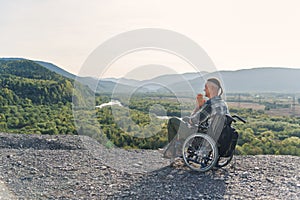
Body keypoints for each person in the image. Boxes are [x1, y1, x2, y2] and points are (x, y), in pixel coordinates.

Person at [163, 77, 229, 159]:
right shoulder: (223, 104)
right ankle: (178, 147)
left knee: (172, 121)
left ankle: (174, 150)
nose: (204, 89)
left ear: (212, 88)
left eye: (206, 87)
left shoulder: (210, 104)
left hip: (199, 135)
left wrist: (197, 107)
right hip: (215, 136)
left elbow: (193, 120)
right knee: (185, 119)